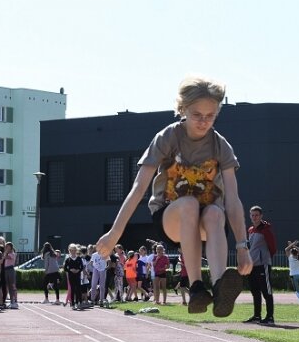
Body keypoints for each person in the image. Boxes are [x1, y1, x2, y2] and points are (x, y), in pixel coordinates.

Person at [95, 76, 252, 317]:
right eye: (197, 114)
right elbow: (139, 187)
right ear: (183, 109)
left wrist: (242, 246)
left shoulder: (221, 146)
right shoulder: (168, 137)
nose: (203, 121)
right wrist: (115, 233)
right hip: (171, 217)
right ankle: (197, 287)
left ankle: (220, 287)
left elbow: (233, 199)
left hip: (207, 222)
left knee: (213, 212)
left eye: (210, 116)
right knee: (189, 203)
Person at [244, 206, 277, 325]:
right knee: (255, 291)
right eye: (252, 215)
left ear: (261, 216)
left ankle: (270, 317)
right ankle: (257, 316)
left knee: (266, 292)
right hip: (252, 265)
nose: (254, 217)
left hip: (263, 265)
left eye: (256, 215)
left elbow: (273, 247)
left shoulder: (266, 230)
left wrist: (264, 258)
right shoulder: (251, 230)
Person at [3, 242, 18, 309]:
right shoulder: (8, 253)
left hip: (10, 270)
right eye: (6, 247)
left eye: (8, 247)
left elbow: (5, 257)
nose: (6, 248)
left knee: (12, 286)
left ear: (11, 247)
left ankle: (14, 301)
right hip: (6, 270)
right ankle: (11, 301)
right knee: (7, 286)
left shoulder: (12, 254)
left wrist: (5, 252)